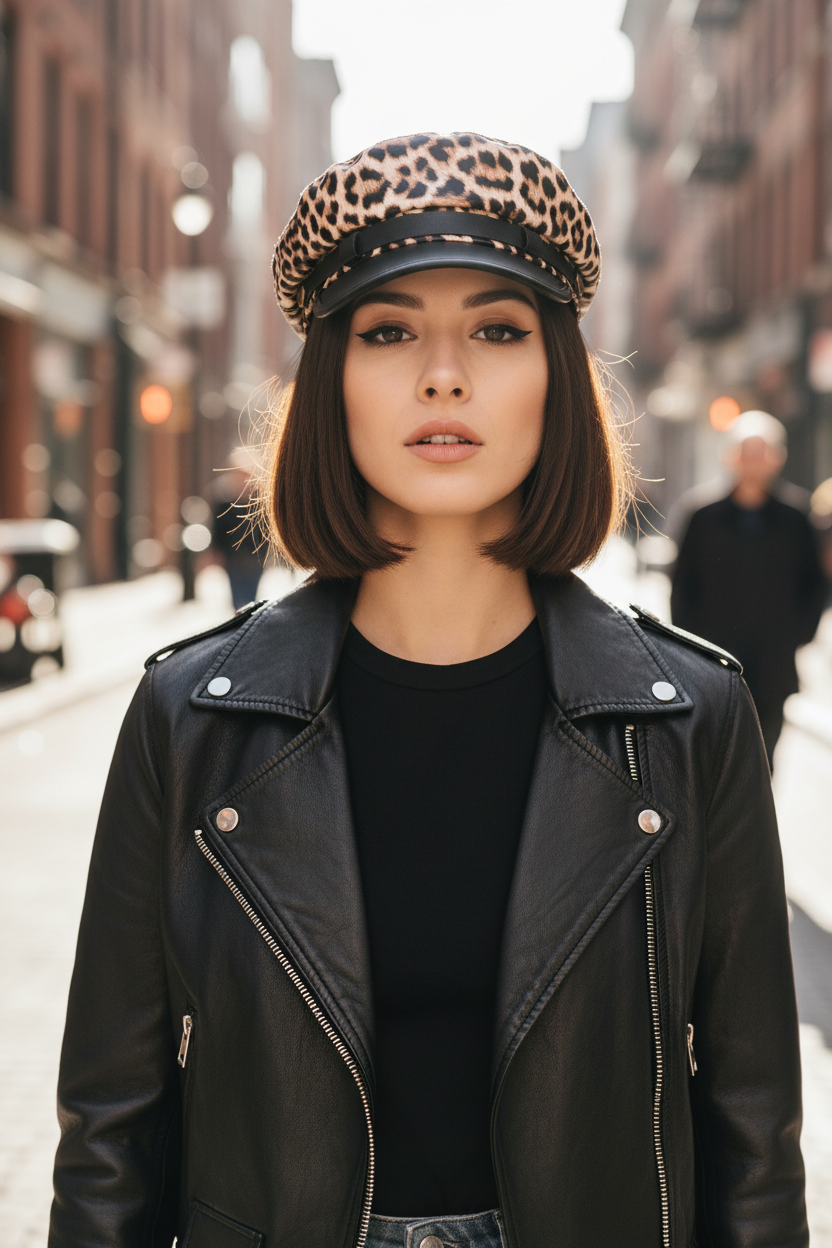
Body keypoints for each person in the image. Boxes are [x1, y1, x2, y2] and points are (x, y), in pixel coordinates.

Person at [49, 134, 807, 1248]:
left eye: (497, 330)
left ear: (557, 377)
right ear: (331, 382)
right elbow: (111, 1126)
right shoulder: (191, 716)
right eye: (389, 329)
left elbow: (752, 1131)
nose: (441, 373)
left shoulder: (691, 720)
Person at [670, 410, 826, 766]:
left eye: (761, 454)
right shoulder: (702, 515)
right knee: (713, 761)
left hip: (774, 664)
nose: (753, 463)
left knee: (763, 759)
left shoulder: (796, 518)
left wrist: (797, 635)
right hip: (713, 663)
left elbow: (814, 585)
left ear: (777, 459)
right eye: (745, 453)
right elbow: (682, 585)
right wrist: (689, 646)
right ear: (730, 456)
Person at [211, 449, 265, 610]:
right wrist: (216, 552)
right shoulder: (224, 499)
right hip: (233, 558)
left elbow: (266, 529)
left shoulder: (260, 500)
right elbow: (217, 529)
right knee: (236, 601)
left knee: (251, 601)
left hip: (254, 559)